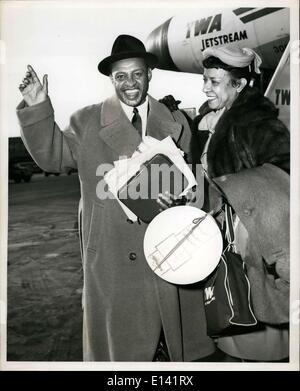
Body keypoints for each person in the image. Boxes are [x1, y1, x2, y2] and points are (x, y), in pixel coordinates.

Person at [16, 35, 216, 361]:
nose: (130, 84)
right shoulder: (86, 122)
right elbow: (52, 157)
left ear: (149, 73)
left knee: (172, 355)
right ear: (111, 79)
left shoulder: (177, 121)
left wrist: (181, 202)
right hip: (113, 265)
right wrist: (38, 108)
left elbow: (198, 186)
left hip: (170, 254)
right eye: (121, 76)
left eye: (137, 74)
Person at [160, 46, 290, 362]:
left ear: (240, 85)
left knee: (260, 342)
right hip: (216, 242)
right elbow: (203, 180)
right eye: (205, 80)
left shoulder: (257, 121)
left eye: (215, 82)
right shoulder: (206, 121)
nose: (205, 88)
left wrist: (223, 189)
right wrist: (183, 198)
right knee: (230, 328)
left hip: (252, 245)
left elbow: (284, 171)